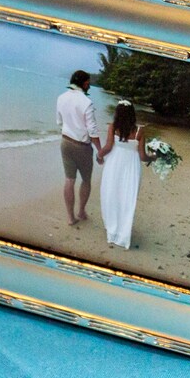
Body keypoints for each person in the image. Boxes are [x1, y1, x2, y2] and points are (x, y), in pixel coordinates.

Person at [96, 102, 149, 250]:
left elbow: (108, 147)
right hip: (132, 167)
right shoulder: (139, 131)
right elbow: (143, 156)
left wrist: (99, 156)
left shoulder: (113, 127)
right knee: (127, 199)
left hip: (114, 164)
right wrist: (154, 157)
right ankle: (123, 233)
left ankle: (112, 229)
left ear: (117, 113)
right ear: (133, 114)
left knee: (111, 194)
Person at [57, 69, 100, 225]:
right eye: (88, 83)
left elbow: (60, 122)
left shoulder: (61, 98)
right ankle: (81, 212)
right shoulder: (86, 102)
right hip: (82, 146)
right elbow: (93, 131)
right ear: (85, 83)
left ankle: (70, 217)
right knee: (86, 180)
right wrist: (100, 152)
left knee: (69, 179)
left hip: (65, 142)